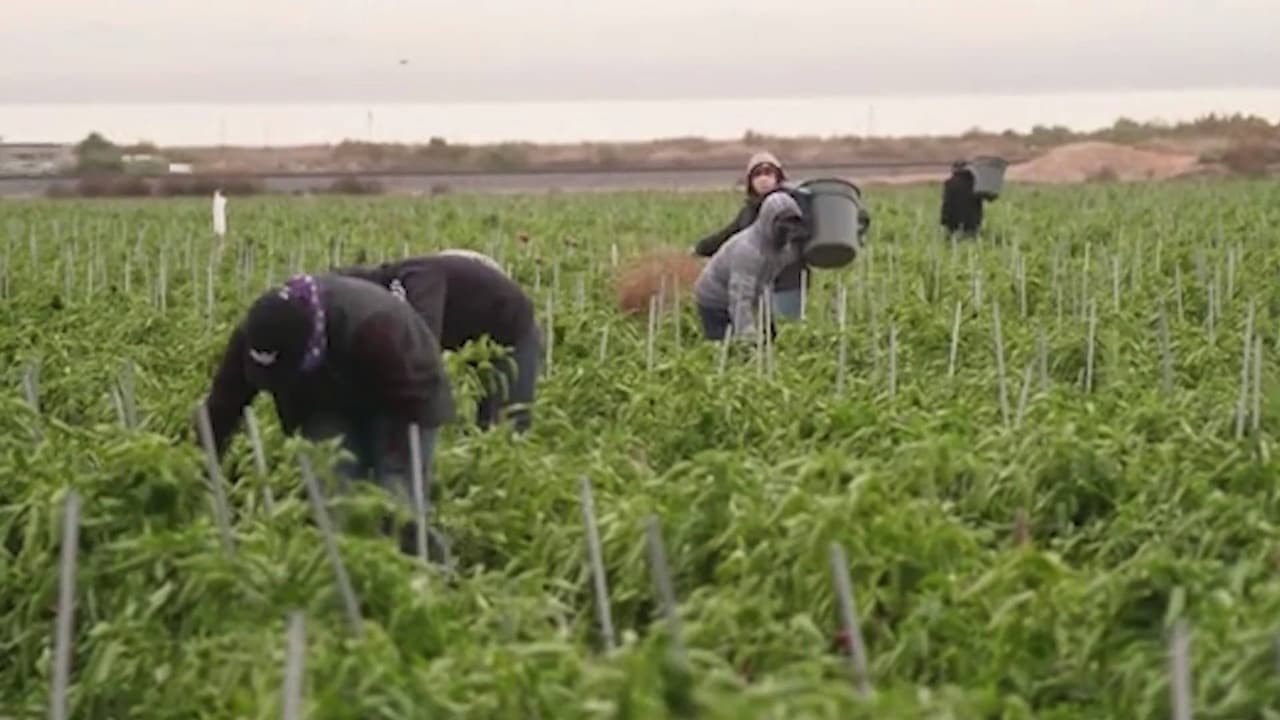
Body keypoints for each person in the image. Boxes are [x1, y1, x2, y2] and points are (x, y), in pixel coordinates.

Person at [198, 273, 455, 548]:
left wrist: (390, 465)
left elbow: (415, 412)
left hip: (406, 397)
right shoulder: (257, 335)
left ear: (309, 347)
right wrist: (196, 463)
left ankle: (424, 574)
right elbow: (223, 406)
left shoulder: (378, 328)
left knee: (397, 501)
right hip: (326, 403)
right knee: (332, 492)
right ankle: (347, 562)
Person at [335, 251, 542, 434]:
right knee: (485, 427)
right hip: (475, 341)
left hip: (515, 334)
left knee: (510, 427)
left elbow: (424, 342)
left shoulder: (419, 278)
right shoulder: (397, 292)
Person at [693, 152, 810, 321]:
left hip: (787, 281)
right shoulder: (749, 211)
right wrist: (700, 248)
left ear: (778, 177)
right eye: (757, 175)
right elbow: (728, 235)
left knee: (785, 328)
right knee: (762, 333)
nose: (763, 179)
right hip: (757, 284)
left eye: (768, 173)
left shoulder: (793, 206)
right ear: (750, 181)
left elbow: (803, 232)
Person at [693, 190, 811, 343]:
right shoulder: (748, 250)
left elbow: (765, 284)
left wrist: (767, 322)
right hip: (713, 298)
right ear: (769, 220)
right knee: (725, 348)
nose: (788, 228)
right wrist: (747, 336)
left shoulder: (782, 250)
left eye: (793, 222)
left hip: (739, 293)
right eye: (783, 222)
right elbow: (740, 296)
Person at [940, 160, 986, 238]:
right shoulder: (975, 182)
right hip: (972, 222)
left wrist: (944, 220)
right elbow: (981, 200)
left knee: (955, 245)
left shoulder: (950, 183)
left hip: (954, 223)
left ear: (954, 169)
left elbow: (947, 203)